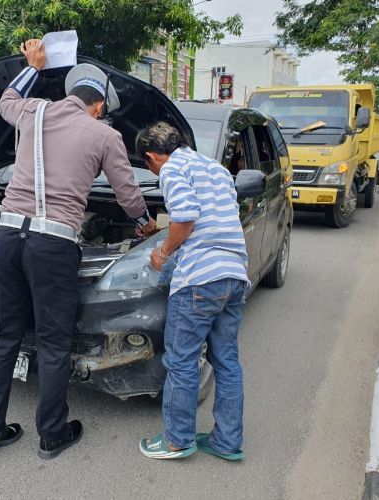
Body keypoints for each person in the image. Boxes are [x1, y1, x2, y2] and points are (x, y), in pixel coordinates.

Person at [0, 39, 157, 459]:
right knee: (53, 342)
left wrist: (33, 66)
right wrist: (145, 222)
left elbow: (4, 100)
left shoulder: (32, 110)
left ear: (71, 93)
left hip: (7, 236)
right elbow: (127, 194)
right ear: (98, 106)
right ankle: (52, 434)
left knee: (0, 337)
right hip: (52, 245)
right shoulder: (104, 134)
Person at [135, 122, 249, 461]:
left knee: (182, 361)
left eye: (148, 166)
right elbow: (217, 218)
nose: (154, 173)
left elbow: (185, 219)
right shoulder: (217, 170)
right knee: (227, 362)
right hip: (234, 274)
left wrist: (162, 252)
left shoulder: (172, 169)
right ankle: (227, 442)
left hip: (199, 279)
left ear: (152, 156)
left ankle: (177, 440)